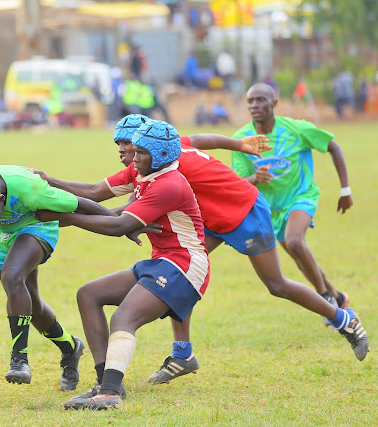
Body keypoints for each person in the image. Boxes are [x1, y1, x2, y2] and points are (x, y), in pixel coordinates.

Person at [36, 114, 369, 393]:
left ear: (143, 143)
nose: (123, 151)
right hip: (206, 218)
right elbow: (96, 193)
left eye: (129, 144)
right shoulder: (152, 155)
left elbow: (123, 215)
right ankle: (183, 354)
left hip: (243, 212)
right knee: (176, 271)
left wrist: (71, 217)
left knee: (276, 285)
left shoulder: (164, 162)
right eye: (120, 144)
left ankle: (343, 319)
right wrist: (49, 182)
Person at [36, 120, 209, 410]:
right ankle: (106, 382)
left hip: (184, 266)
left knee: (123, 318)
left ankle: (110, 395)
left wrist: (64, 217)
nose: (132, 156)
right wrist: (51, 189)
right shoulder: (144, 171)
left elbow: (119, 225)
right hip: (161, 262)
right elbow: (108, 205)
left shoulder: (169, 184)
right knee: (89, 294)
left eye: (140, 151)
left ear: (161, 156)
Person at [0, 165, 114, 391]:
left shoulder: (32, 189)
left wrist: (125, 224)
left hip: (37, 226)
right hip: (5, 236)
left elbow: (83, 204)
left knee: (12, 277)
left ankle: (19, 360)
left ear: (1, 199)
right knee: (29, 305)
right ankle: (70, 348)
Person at [233, 83, 355, 322]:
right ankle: (336, 297)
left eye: (260, 100)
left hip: (301, 197)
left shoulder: (296, 129)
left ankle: (326, 302)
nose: (254, 106)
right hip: (271, 210)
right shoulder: (241, 139)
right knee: (299, 256)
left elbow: (333, 146)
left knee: (295, 242)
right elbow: (238, 182)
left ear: (274, 103)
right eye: (250, 101)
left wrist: (345, 189)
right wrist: (254, 178)